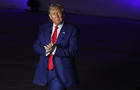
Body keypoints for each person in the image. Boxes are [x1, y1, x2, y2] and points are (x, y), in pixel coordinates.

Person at [33, 3, 79, 90]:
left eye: (58, 13)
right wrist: (45, 50)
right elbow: (35, 46)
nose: (56, 16)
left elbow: (73, 51)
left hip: (60, 71)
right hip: (45, 70)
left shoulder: (72, 30)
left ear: (63, 14)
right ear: (50, 16)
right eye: (54, 14)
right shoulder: (44, 28)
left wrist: (55, 49)